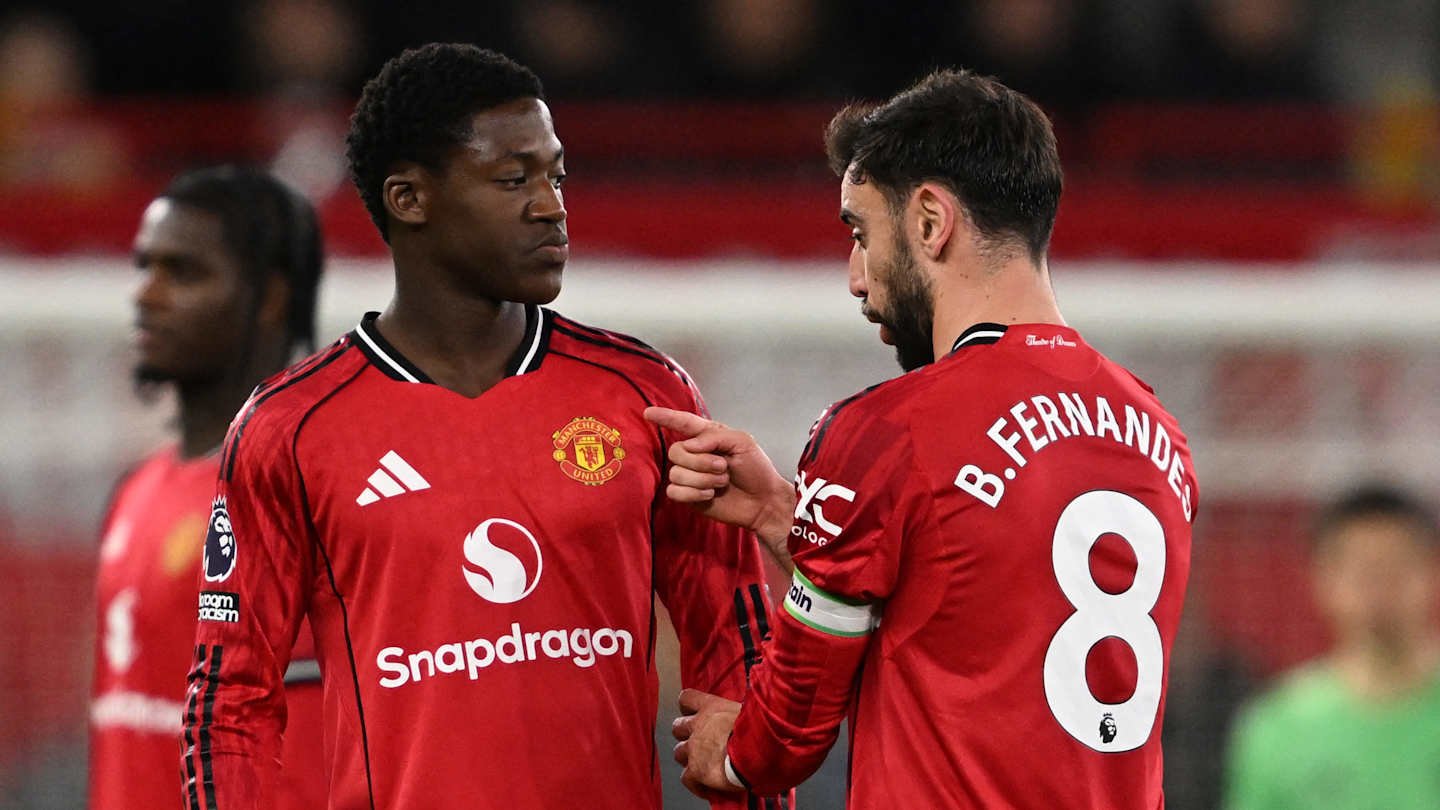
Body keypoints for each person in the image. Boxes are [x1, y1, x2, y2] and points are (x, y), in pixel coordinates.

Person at [180, 43, 787, 810]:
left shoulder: (645, 394)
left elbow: (737, 653)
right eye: (513, 179)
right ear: (409, 199)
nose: (551, 204)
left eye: (555, 175)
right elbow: (228, 700)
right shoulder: (290, 429)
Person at [649, 68, 1199, 807]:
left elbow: (791, 729)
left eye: (860, 232)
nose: (855, 277)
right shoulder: (1156, 432)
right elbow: (969, 626)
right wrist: (787, 516)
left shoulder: (889, 430)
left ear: (931, 222)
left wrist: (733, 754)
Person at [91, 165, 327, 809]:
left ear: (271, 296)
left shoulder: (300, 498)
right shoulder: (136, 490)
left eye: (183, 272)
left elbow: (303, 765)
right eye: (145, 268)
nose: (147, 294)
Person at [1224, 484, 1440, 810]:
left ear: (1430, 571)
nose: (1380, 588)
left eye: (1396, 565)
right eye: (1364, 570)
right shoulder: (1277, 726)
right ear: (1324, 579)